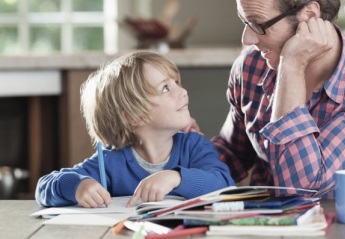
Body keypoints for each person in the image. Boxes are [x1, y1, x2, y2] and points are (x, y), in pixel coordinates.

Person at [186, 0, 345, 198]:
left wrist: (292, 66)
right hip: (260, 226)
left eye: (257, 23)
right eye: (244, 22)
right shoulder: (250, 65)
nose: (247, 39)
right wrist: (183, 156)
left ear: (309, 16)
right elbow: (232, 152)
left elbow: (301, 187)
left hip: (336, 229)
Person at [35, 50, 234, 208]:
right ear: (133, 116)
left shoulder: (194, 146)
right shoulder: (110, 162)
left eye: (177, 83)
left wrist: (176, 178)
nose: (183, 91)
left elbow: (225, 185)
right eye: (166, 88)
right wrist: (77, 186)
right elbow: (44, 187)